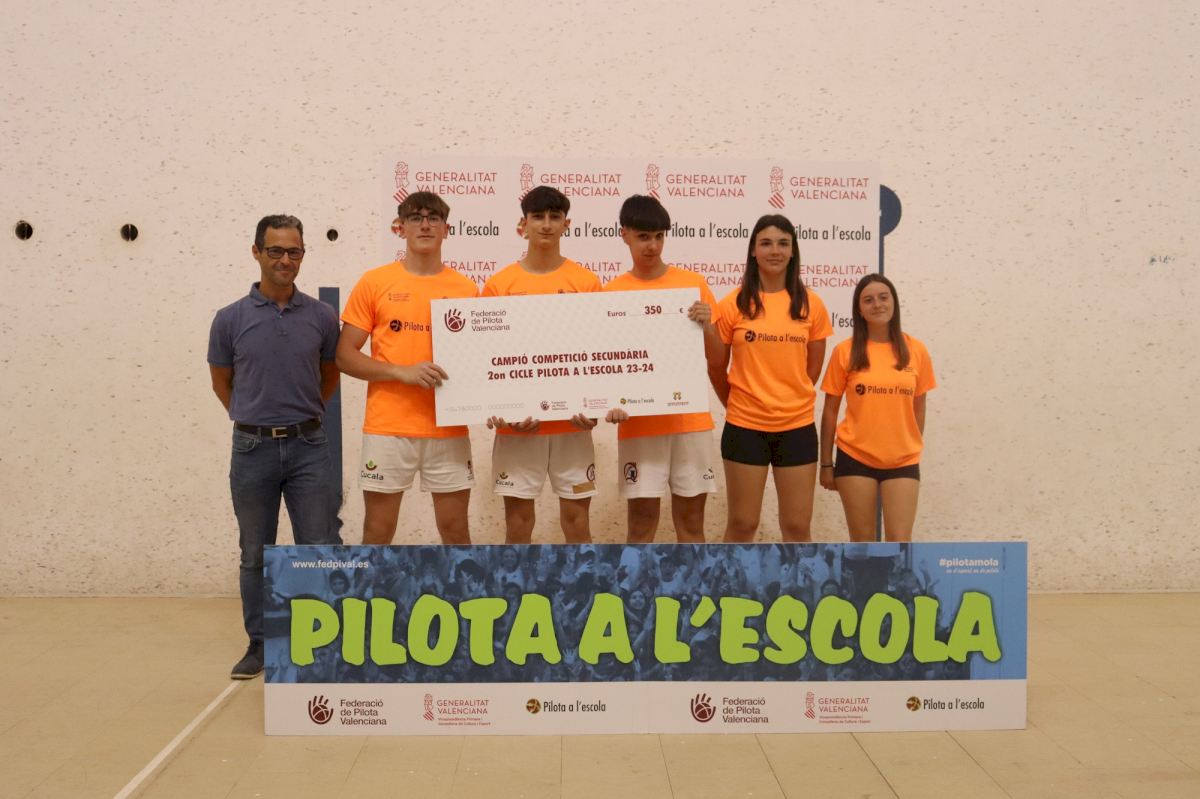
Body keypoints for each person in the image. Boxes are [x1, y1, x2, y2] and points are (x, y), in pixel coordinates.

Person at [207, 214, 343, 679]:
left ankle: (317, 644)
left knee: (318, 548)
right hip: (252, 450)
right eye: (276, 251)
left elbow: (329, 377)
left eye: (294, 252)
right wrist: (253, 417)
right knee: (255, 553)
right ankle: (261, 645)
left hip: (310, 447)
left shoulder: (322, 317)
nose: (286, 260)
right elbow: (222, 382)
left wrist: (302, 415)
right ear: (256, 252)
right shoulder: (229, 319)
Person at [337, 192, 478, 545]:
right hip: (388, 428)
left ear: (447, 229)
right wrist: (402, 372)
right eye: (416, 218)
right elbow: (344, 355)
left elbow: (480, 362)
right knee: (378, 532)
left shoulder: (466, 289)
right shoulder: (374, 282)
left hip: (448, 429)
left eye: (434, 218)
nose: (425, 225)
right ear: (400, 228)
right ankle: (372, 587)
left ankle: (461, 587)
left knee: (456, 532)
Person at [482, 186, 601, 543]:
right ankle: (518, 583)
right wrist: (501, 409)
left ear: (567, 224)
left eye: (554, 217)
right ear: (523, 224)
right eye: (538, 217)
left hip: (572, 426)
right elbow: (487, 357)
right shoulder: (500, 284)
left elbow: (599, 354)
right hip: (518, 428)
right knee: (518, 525)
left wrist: (594, 409)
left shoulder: (586, 282)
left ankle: (581, 582)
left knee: (577, 523)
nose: (546, 224)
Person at [603, 195, 722, 543]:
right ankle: (636, 583)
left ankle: (695, 582)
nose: (652, 246)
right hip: (640, 425)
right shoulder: (611, 292)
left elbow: (717, 359)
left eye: (658, 236)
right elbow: (606, 364)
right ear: (624, 235)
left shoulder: (692, 285)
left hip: (690, 423)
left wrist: (708, 326)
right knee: (641, 525)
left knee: (692, 524)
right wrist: (610, 401)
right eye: (643, 237)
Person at [710, 214, 832, 542]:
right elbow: (716, 367)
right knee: (742, 525)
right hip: (744, 428)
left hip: (797, 428)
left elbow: (812, 369)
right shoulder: (732, 304)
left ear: (793, 251)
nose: (774, 250)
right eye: (766, 243)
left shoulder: (812, 305)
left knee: (797, 527)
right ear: (753, 250)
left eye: (783, 243)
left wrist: (787, 399)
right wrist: (738, 403)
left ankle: (799, 581)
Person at [819, 274, 936, 541]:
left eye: (883, 298)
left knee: (900, 542)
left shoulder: (916, 350)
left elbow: (919, 408)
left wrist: (908, 445)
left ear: (894, 303)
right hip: (855, 458)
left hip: (903, 461)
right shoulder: (845, 351)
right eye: (868, 300)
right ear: (859, 309)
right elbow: (829, 412)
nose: (877, 305)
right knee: (863, 544)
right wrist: (826, 463)